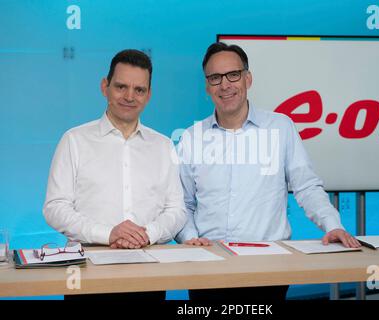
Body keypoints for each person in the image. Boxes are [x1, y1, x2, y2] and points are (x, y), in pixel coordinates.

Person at [175, 42, 361, 301]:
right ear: (207, 86)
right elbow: (183, 203)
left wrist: (332, 225)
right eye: (215, 78)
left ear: (248, 79)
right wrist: (190, 239)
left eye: (233, 75)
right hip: (208, 265)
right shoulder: (192, 138)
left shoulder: (281, 128)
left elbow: (306, 186)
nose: (225, 85)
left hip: (269, 266)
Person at [43, 49, 186, 300]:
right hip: (86, 274)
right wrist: (108, 233)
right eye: (121, 87)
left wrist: (146, 234)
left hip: (149, 273)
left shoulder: (163, 145)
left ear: (149, 95)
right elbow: (55, 207)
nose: (130, 96)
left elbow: (177, 210)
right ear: (104, 87)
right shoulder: (74, 140)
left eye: (139, 90)